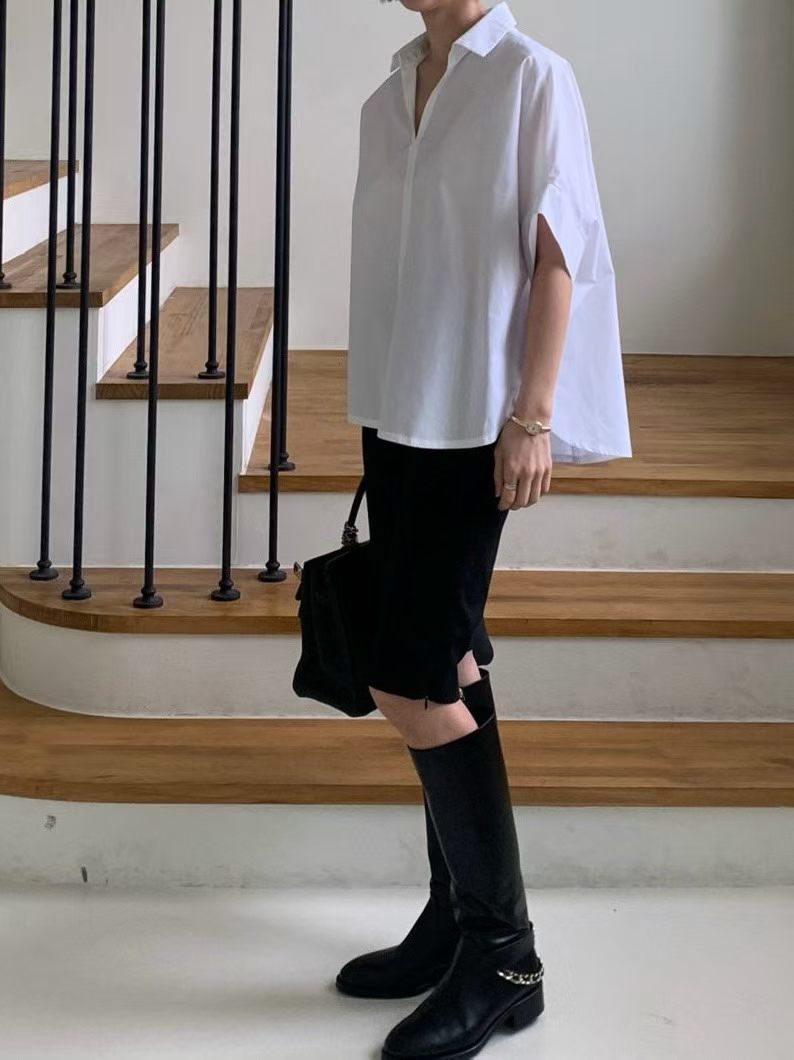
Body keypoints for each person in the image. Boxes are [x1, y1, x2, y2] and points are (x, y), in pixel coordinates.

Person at [338, 2, 632, 1057]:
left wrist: (532, 416)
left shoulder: (529, 77)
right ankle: (457, 922)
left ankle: (506, 959)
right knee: (451, 659)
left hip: (473, 423)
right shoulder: (388, 96)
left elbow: (561, 255)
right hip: (394, 411)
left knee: (409, 678)